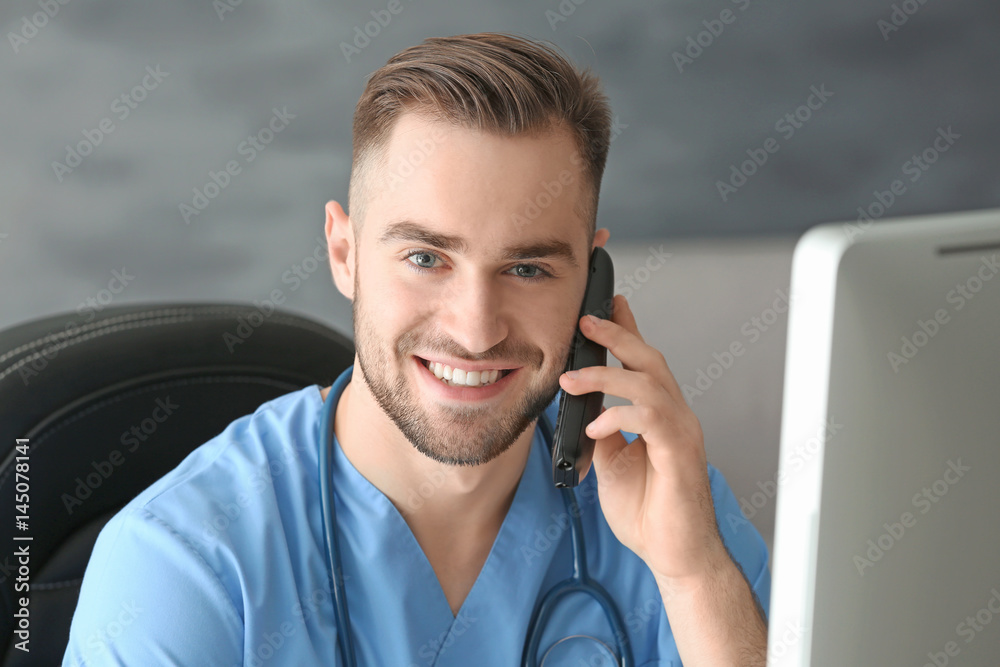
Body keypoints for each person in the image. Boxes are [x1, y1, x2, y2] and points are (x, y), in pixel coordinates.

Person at [63, 32, 771, 666]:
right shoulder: (182, 565)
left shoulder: (665, 509)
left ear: (591, 279)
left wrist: (695, 577)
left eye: (528, 268)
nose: (475, 328)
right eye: (427, 257)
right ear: (345, 253)